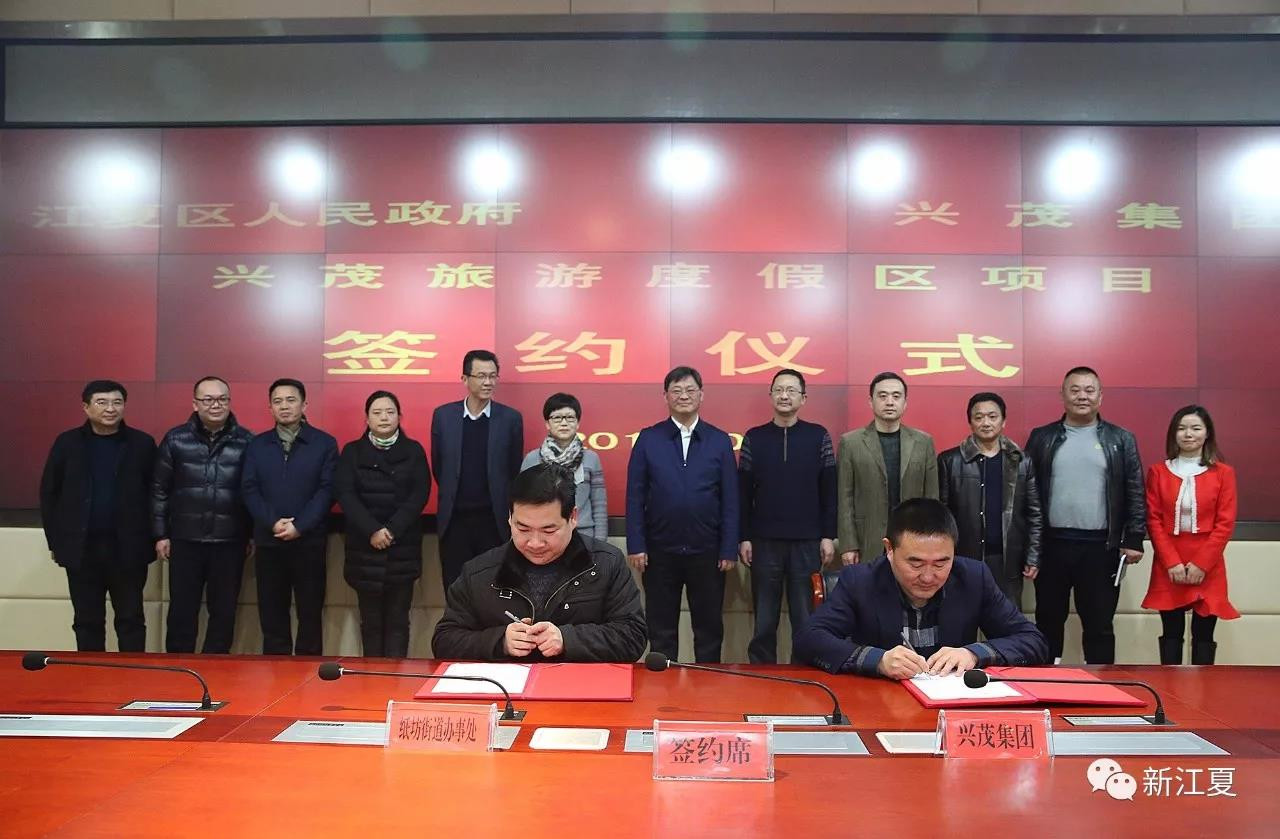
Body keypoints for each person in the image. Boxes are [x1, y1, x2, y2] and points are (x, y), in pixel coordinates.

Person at [792, 498, 1049, 679]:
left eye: (941, 563)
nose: (928, 577)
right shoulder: (860, 581)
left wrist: (974, 653)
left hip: (950, 710)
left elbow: (1033, 640)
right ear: (889, 549)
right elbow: (808, 639)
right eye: (915, 563)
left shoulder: (973, 577)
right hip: (880, 706)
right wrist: (877, 660)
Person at [432, 463, 646, 662]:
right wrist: (500, 642)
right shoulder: (479, 572)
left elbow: (633, 637)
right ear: (510, 517)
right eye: (523, 529)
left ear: (573, 517)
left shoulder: (606, 564)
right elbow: (444, 640)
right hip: (507, 688)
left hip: (579, 687)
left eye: (548, 530)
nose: (535, 543)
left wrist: (568, 639)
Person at [1025, 366, 1146, 665]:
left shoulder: (1121, 439)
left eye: (1089, 390)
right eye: (1075, 390)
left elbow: (1135, 490)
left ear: (1100, 396)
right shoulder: (1042, 438)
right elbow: (1027, 493)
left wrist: (1134, 538)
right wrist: (1030, 546)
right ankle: (1046, 679)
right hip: (1052, 545)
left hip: (1101, 548)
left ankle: (1102, 682)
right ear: (1063, 395)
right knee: (1048, 619)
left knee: (1099, 623)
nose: (1082, 396)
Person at [626, 366, 738, 663]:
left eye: (690, 390)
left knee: (709, 628)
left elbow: (730, 498)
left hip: (708, 551)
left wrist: (728, 548)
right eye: (676, 391)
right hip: (660, 551)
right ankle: (663, 685)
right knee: (661, 628)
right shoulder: (649, 439)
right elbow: (635, 496)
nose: (684, 396)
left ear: (701, 395)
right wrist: (636, 545)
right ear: (665, 396)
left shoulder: (719, 440)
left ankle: (708, 684)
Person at [40, 380, 156, 652]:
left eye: (117, 402)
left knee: (130, 619)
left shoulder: (142, 444)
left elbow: (156, 493)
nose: (110, 409)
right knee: (87, 620)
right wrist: (56, 542)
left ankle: (132, 672)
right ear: (86, 407)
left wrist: (153, 537)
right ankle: (90, 673)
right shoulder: (67, 443)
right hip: (82, 549)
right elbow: (49, 494)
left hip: (128, 548)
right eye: (102, 402)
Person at [738, 369, 837, 664]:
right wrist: (744, 537)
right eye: (779, 390)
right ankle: (762, 674)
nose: (784, 395)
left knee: (805, 618)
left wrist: (828, 535)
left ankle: (804, 672)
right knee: (764, 620)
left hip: (807, 542)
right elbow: (742, 493)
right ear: (770, 396)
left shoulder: (818, 436)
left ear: (803, 398)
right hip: (764, 542)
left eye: (791, 390)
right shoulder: (754, 437)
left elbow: (830, 490)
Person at [152, 376, 254, 654]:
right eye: (208, 399)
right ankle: (179, 668)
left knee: (224, 613)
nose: (215, 405)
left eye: (222, 399)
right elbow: (159, 489)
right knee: (182, 611)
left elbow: (253, 492)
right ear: (195, 404)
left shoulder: (247, 441)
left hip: (230, 541)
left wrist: (250, 534)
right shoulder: (176, 439)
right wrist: (161, 534)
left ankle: (216, 669)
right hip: (185, 539)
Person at [241, 378, 338, 656]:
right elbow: (249, 489)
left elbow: (328, 490)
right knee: (272, 616)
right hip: (269, 541)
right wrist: (273, 522)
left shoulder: (324, 444)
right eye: (278, 401)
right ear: (270, 407)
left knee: (310, 616)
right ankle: (276, 674)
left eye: (291, 400)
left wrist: (300, 526)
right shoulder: (257, 445)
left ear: (304, 404)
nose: (284, 406)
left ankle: (308, 675)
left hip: (309, 543)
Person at [334, 390, 432, 658]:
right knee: (371, 622)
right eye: (377, 413)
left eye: (390, 412)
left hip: (402, 548)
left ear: (399, 416)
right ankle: (371, 676)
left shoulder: (413, 451)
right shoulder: (352, 452)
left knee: (399, 621)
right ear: (367, 419)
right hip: (364, 549)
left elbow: (419, 494)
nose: (384, 417)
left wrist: (391, 530)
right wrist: (372, 530)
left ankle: (396, 675)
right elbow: (345, 494)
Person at [1142, 405, 1238, 666]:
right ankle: (1169, 687)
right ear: (1173, 434)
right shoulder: (1158, 472)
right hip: (1168, 562)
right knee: (1171, 632)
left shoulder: (1223, 473)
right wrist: (1171, 562)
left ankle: (1204, 688)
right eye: (1182, 428)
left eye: (1195, 428)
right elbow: (1153, 520)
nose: (1188, 434)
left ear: (1207, 434)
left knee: (1204, 634)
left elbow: (1225, 523)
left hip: (1208, 563)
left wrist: (1202, 564)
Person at [430, 349, 524, 596]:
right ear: (465, 379)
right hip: (454, 521)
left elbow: (513, 470)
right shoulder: (443, 417)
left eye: (493, 376)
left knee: (493, 591)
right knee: (456, 590)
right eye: (481, 376)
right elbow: (439, 467)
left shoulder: (510, 419)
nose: (488, 382)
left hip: (493, 521)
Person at [937, 392, 1042, 608]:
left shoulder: (1022, 462)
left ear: (1003, 421)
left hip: (1008, 560)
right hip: (963, 558)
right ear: (970, 422)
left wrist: (1033, 555)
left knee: (1006, 622)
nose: (986, 423)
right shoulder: (950, 461)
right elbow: (942, 516)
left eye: (992, 417)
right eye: (979, 417)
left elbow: (1034, 514)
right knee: (962, 620)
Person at [836, 372, 939, 573]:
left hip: (912, 538)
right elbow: (844, 498)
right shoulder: (851, 442)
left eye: (896, 396)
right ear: (871, 401)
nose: (889, 402)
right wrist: (848, 545)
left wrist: (930, 539)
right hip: (867, 539)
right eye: (882, 396)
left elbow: (932, 498)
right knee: (869, 590)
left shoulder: (923, 442)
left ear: (905, 402)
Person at [520, 392, 607, 540]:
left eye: (570, 418)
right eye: (557, 418)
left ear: (578, 423)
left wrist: (600, 542)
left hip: (583, 535)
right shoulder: (532, 459)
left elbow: (599, 505)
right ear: (547, 424)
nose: (564, 423)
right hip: (544, 535)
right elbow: (523, 504)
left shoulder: (591, 459)